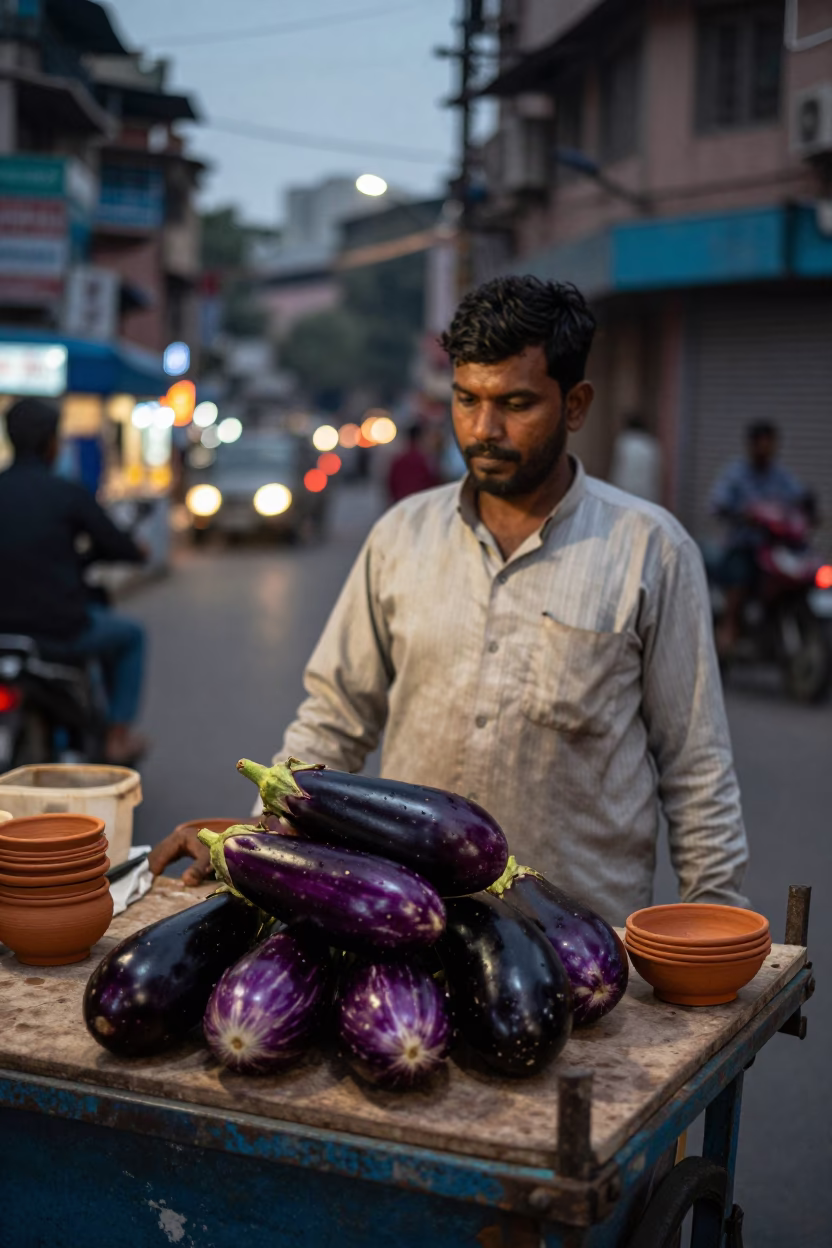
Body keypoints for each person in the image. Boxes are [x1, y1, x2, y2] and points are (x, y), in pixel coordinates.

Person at [150, 275, 748, 924]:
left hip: (583, 940)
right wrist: (258, 842)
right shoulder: (401, 536)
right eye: (466, 400)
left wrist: (714, 928)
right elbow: (335, 718)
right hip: (414, 928)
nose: (483, 428)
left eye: (516, 404)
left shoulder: (652, 550)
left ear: (575, 405)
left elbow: (697, 769)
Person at [0, 397, 148, 764]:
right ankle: (117, 736)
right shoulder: (68, 493)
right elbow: (116, 542)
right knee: (132, 637)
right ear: (52, 442)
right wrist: (137, 550)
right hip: (61, 631)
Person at [709, 421, 809, 655]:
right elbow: (717, 502)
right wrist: (737, 512)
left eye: (770, 444)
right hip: (745, 546)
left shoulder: (781, 476)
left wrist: (809, 507)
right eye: (761, 444)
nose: (766, 449)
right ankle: (729, 629)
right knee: (740, 578)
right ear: (751, 445)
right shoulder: (736, 474)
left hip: (775, 549)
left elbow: (799, 496)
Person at [609, 413, 662, 503]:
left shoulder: (624, 441)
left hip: (625, 488)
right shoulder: (651, 444)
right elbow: (657, 472)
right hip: (646, 491)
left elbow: (618, 466)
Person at [386, 423, 440, 505]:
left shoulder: (399, 459)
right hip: (421, 503)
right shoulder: (424, 460)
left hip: (402, 502)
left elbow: (391, 483)